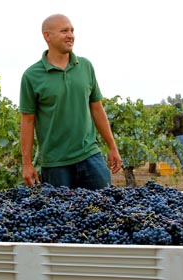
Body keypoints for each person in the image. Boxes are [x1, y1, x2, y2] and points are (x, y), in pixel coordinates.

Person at [19, 14, 122, 190]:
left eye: (72, 30)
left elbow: (97, 109)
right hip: (55, 164)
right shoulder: (31, 76)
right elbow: (27, 121)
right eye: (64, 31)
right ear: (47, 36)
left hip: (90, 156)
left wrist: (112, 146)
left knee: (105, 209)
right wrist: (27, 164)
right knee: (61, 216)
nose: (71, 35)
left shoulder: (85, 66)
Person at [168, 102, 183, 173]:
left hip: (179, 136)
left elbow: (176, 126)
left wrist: (168, 131)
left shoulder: (177, 115)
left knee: (180, 152)